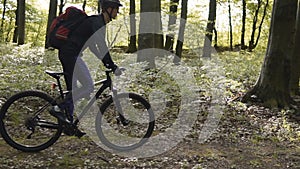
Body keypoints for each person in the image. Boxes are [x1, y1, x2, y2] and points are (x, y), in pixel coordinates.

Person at [49, 0, 123, 137]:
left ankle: (68, 124)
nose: (117, 12)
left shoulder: (97, 23)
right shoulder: (97, 22)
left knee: (73, 90)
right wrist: (112, 65)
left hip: (70, 54)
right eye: (116, 9)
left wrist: (106, 63)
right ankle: (59, 107)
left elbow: (94, 46)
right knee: (88, 86)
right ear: (109, 9)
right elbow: (101, 45)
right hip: (70, 54)